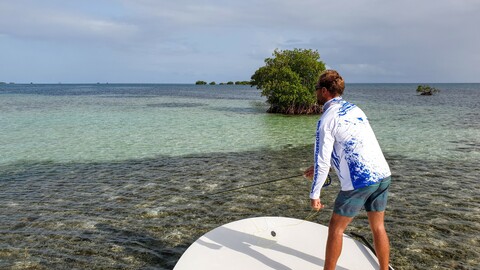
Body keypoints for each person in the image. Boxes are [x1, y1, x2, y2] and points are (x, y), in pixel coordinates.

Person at [303, 70, 392, 270]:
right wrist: (319, 168)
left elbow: (323, 159)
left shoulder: (326, 119)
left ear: (324, 91)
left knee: (336, 229)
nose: (316, 92)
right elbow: (353, 147)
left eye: (317, 89)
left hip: (360, 181)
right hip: (383, 175)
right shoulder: (355, 109)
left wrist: (315, 194)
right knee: (378, 227)